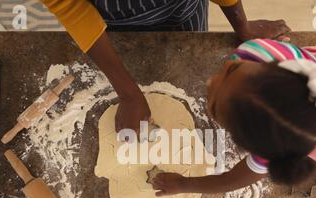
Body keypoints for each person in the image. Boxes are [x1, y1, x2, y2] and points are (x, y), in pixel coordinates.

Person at [151, 39, 316, 195]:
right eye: (229, 69)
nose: (211, 82)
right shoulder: (251, 55)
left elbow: (235, 178)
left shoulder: (275, 134)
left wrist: (186, 185)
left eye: (213, 106)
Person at [41, 0, 291, 133]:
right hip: (107, 19)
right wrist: (129, 95)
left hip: (180, 10)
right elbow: (71, 6)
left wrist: (242, 26)